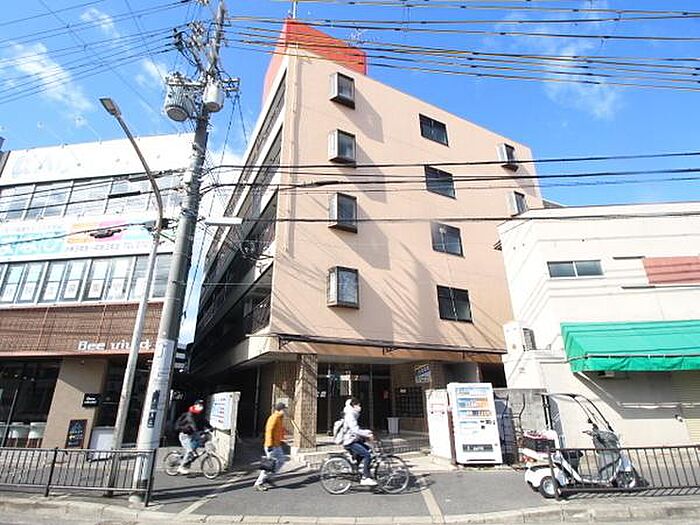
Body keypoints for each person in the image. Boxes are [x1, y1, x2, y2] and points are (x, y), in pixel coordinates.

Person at [342, 398, 377, 486]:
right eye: (358, 405)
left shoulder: (353, 414)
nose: (360, 407)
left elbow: (355, 430)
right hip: (350, 441)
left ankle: (358, 469)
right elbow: (355, 430)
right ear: (354, 406)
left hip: (353, 439)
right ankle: (365, 478)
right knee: (367, 455)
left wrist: (366, 433)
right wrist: (367, 434)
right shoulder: (350, 415)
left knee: (368, 450)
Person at [253, 402, 288, 491]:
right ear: (280, 410)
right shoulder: (274, 418)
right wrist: (269, 445)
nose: (285, 411)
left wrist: (282, 438)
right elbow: (269, 431)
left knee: (281, 461)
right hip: (271, 446)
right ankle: (258, 483)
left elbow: (279, 430)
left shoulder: (279, 418)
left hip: (277, 445)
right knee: (268, 465)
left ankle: (268, 477)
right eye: (284, 409)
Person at [174, 399, 212, 475]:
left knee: (197, 446)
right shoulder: (190, 414)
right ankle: (181, 467)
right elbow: (192, 424)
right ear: (195, 405)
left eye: (202, 405)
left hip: (193, 434)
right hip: (185, 435)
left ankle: (184, 459)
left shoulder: (199, 414)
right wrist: (198, 431)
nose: (201, 407)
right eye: (199, 405)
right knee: (189, 450)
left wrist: (210, 427)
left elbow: (204, 421)